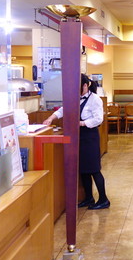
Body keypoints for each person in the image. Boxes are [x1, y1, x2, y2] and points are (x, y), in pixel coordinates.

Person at [43, 74, 109, 210]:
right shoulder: (75, 98)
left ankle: (103, 199)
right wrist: (50, 118)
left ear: (85, 85)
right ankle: (89, 198)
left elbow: (98, 119)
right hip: (78, 137)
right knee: (83, 169)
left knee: (94, 169)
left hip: (89, 136)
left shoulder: (95, 99)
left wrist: (81, 123)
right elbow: (63, 109)